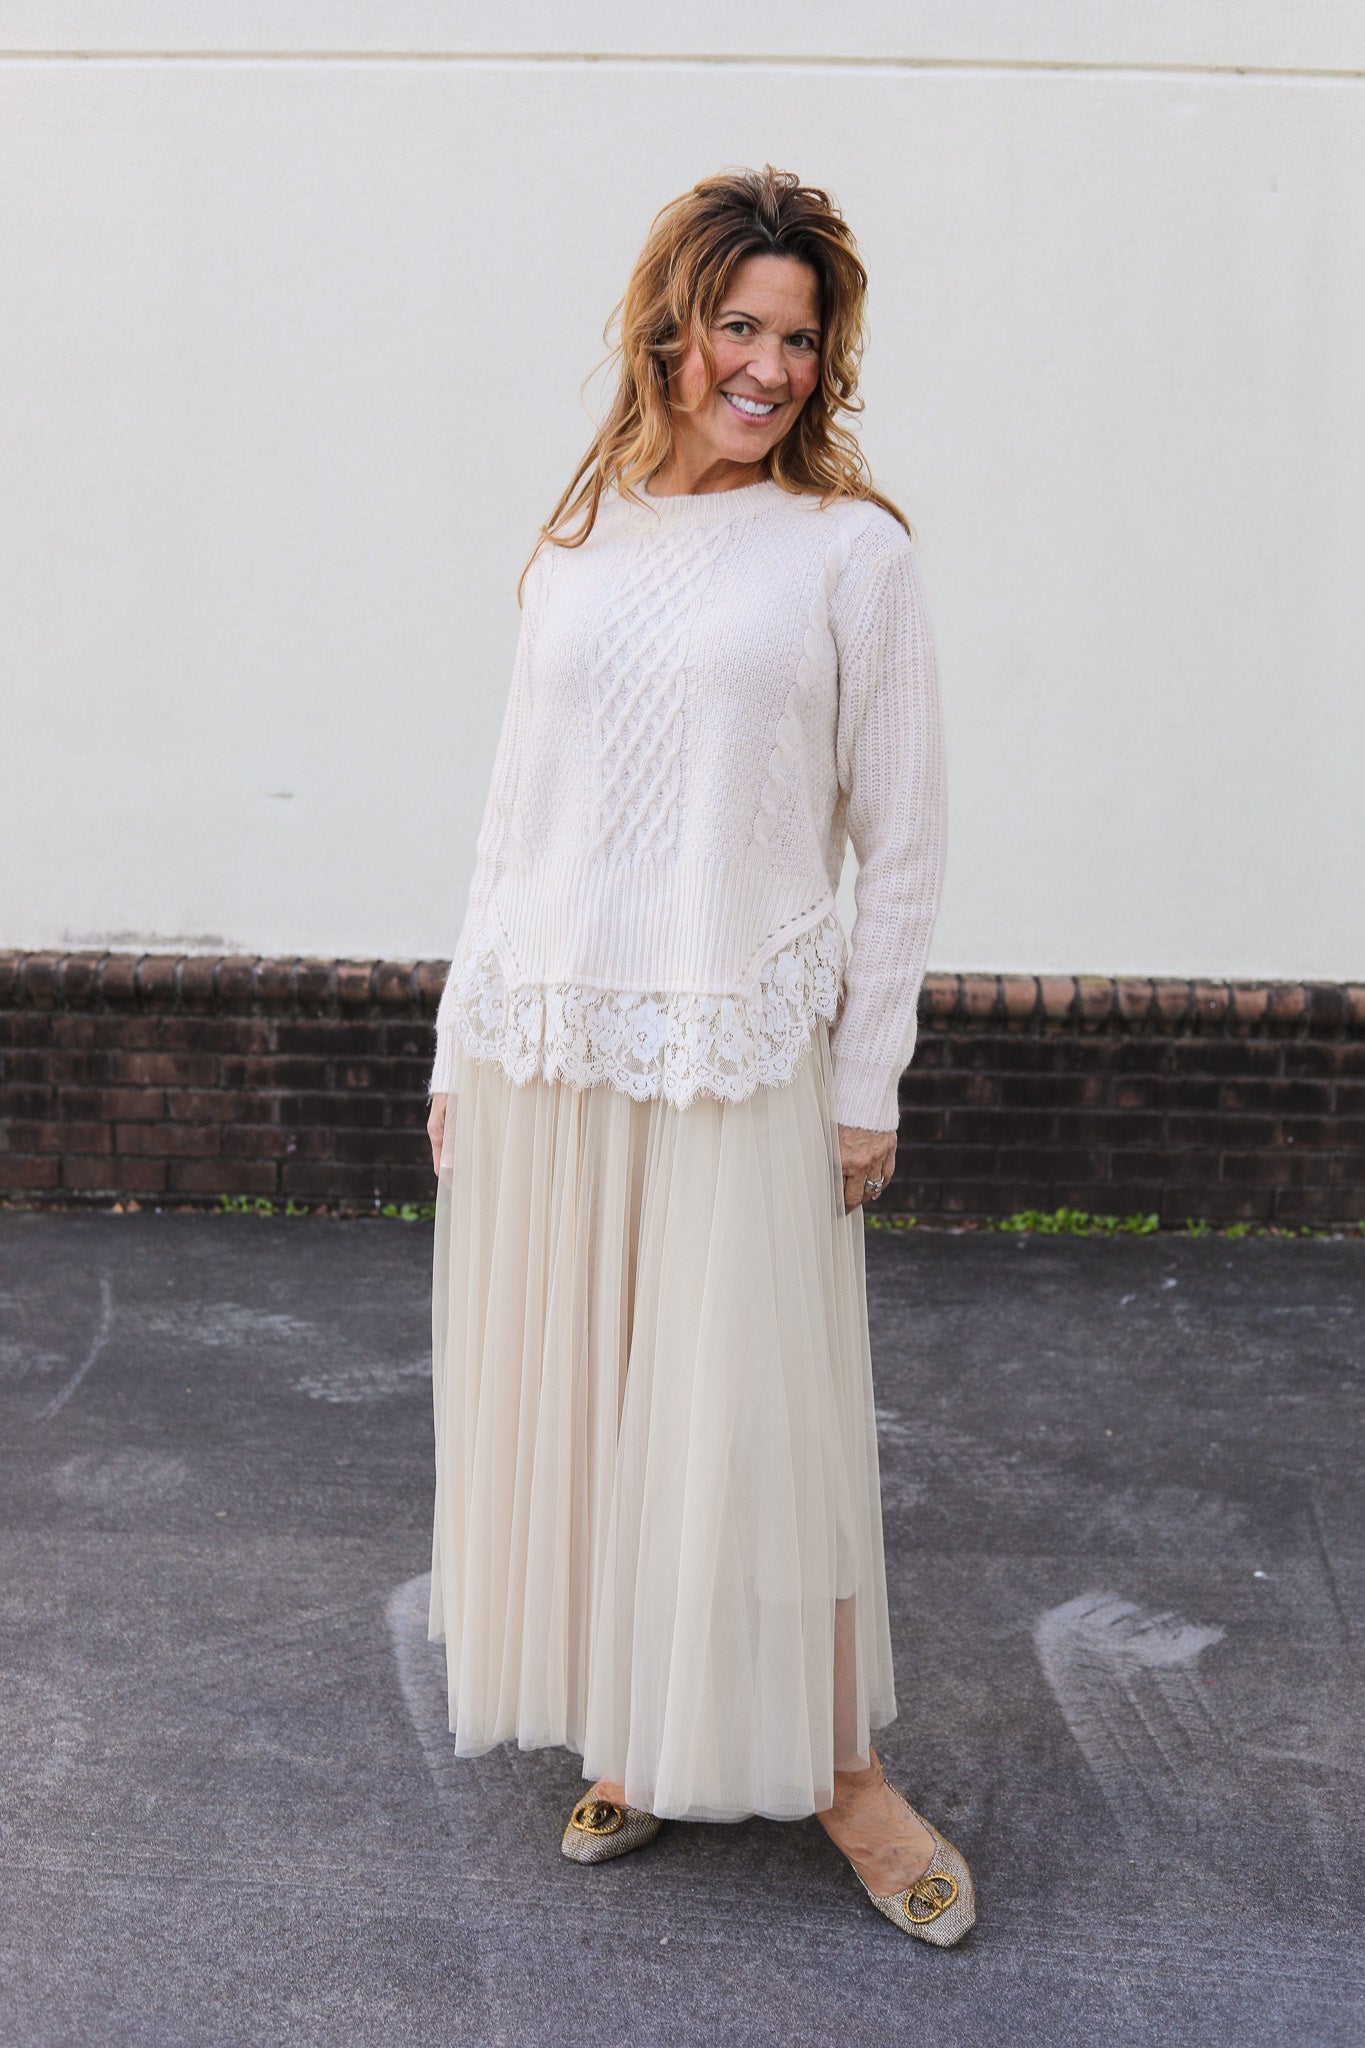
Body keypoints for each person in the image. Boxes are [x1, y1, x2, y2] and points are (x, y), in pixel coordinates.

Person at [425, 165, 970, 1945]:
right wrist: (457, 1042)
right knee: (598, 1420)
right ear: (668, 330)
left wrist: (865, 1080)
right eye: (739, 326)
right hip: (554, 1046)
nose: (768, 368)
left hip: (737, 1055)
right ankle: (643, 1733)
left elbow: (902, 839)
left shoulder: (849, 553)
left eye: (798, 340)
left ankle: (844, 1776)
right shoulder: (581, 534)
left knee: (759, 1432)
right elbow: (514, 816)